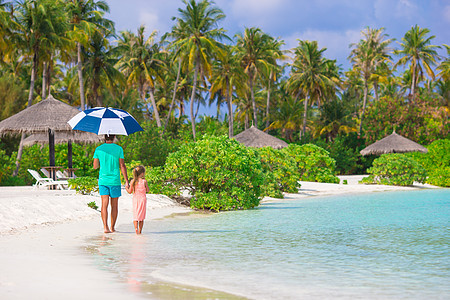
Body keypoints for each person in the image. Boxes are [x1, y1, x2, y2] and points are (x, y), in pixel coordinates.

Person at [93, 134, 129, 233]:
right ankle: (112, 228)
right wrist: (126, 180)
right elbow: (122, 165)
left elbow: (95, 166)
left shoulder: (99, 149)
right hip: (115, 180)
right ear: (114, 137)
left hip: (103, 180)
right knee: (114, 205)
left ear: (105, 137)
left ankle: (105, 227)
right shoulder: (119, 149)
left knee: (104, 204)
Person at [126, 165, 149, 234]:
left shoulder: (133, 181)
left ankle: (136, 229)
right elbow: (147, 190)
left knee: (136, 215)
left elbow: (130, 191)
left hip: (135, 200)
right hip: (142, 199)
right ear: (142, 173)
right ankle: (140, 231)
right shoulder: (144, 181)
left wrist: (126, 187)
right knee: (141, 216)